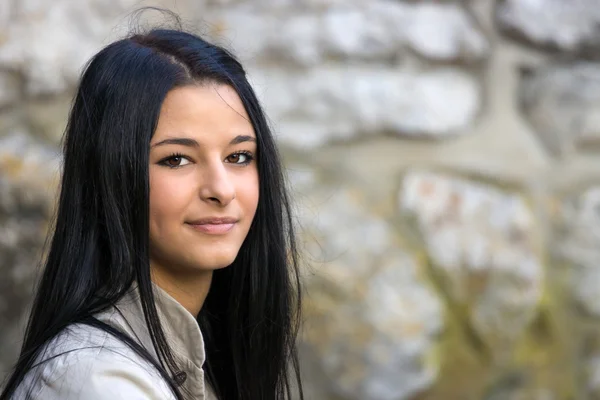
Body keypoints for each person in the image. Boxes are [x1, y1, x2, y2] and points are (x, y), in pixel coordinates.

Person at [0, 14, 304, 400]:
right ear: (112, 174)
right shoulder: (100, 381)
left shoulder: (205, 360)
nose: (221, 190)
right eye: (177, 159)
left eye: (239, 156)